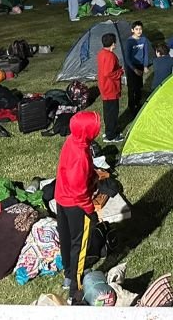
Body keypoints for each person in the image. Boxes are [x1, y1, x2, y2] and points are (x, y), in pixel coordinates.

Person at [54, 111, 102, 304]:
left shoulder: (73, 141)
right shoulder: (80, 155)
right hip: (76, 205)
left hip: (61, 198)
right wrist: (90, 210)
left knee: (66, 238)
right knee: (80, 245)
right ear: (87, 131)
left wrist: (93, 174)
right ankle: (76, 287)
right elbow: (79, 191)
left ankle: (68, 273)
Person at [97, 33, 124, 143]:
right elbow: (108, 73)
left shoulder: (101, 53)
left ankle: (109, 131)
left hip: (104, 87)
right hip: (110, 88)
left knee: (108, 112)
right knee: (112, 113)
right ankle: (111, 136)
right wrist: (120, 71)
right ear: (113, 43)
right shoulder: (110, 56)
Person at [123, 21, 151, 110]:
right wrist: (134, 69)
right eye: (137, 29)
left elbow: (146, 53)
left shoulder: (144, 40)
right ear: (132, 30)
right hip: (131, 66)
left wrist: (145, 65)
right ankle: (131, 105)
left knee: (139, 85)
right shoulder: (129, 41)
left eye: (140, 29)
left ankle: (138, 103)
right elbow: (127, 58)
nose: (139, 31)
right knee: (132, 87)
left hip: (140, 65)